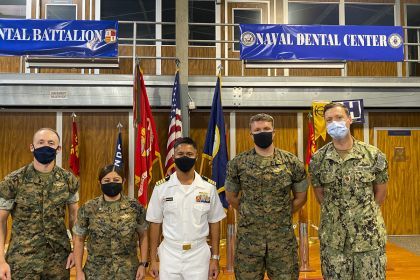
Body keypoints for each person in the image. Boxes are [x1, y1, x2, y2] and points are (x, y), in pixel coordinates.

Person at [309, 102, 388, 280]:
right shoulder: (318, 159)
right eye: (328, 120)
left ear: (349, 120)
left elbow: (380, 195)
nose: (334, 122)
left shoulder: (373, 155)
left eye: (339, 118)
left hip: (368, 239)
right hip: (334, 241)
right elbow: (320, 195)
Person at [225, 113, 308, 280]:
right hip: (249, 243)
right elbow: (231, 197)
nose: (262, 132)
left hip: (282, 242)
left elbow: (301, 198)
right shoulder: (237, 163)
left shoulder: (292, 162)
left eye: (266, 129)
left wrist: (282, 213)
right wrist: (251, 213)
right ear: (251, 134)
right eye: (257, 130)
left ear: (274, 132)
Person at [0, 128, 79, 280]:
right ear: (32, 147)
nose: (45, 147)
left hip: (58, 262)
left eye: (51, 143)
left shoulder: (68, 180)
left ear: (58, 149)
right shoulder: (13, 181)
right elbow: (1, 221)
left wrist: (75, 251)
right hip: (22, 261)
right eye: (41, 142)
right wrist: (1, 261)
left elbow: (74, 219)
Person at [146, 137, 226, 280]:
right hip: (169, 254)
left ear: (196, 156)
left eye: (189, 154)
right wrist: (153, 260)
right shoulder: (161, 188)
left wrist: (215, 257)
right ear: (173, 156)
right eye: (180, 154)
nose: (184, 157)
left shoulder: (208, 188)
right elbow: (154, 223)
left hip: (199, 254)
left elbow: (215, 222)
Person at [73, 164, 148, 280]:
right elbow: (79, 239)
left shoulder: (135, 207)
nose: (111, 183)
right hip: (96, 273)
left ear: (123, 181)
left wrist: (143, 264)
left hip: (127, 272)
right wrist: (78, 271)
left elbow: (143, 235)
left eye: (116, 180)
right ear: (100, 183)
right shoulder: (88, 208)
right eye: (106, 180)